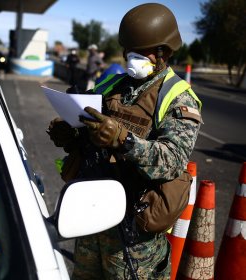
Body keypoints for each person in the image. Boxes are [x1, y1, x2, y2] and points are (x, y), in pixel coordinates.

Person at [48, 3, 203, 279]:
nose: (131, 57)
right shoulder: (111, 86)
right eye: (128, 50)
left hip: (133, 237)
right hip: (91, 218)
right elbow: (88, 129)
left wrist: (123, 139)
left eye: (139, 52)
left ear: (163, 52)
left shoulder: (178, 97)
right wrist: (70, 133)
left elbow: (172, 161)